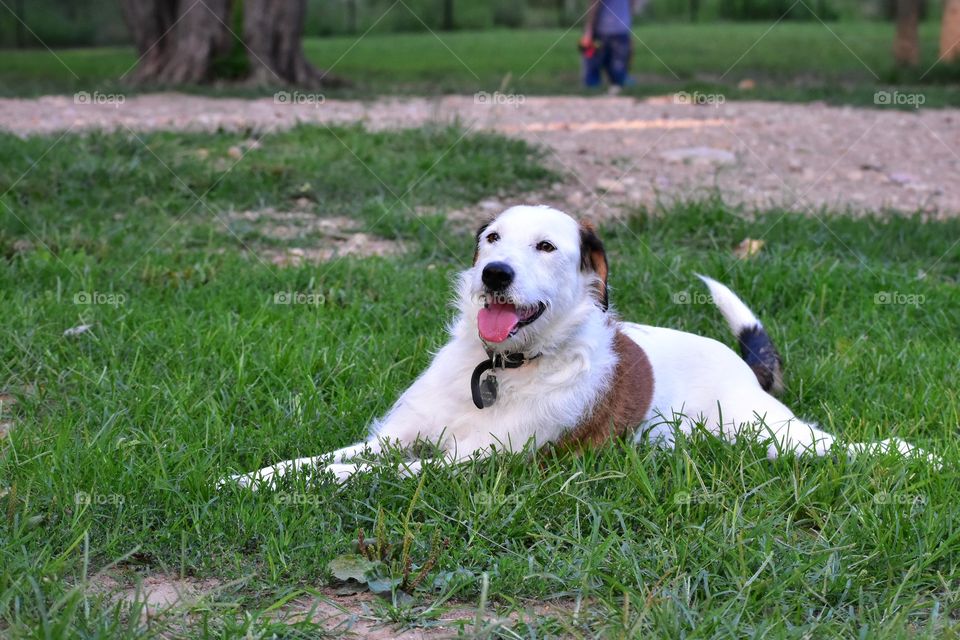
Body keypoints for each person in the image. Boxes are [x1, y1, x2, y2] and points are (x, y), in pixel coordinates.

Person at [580, 0, 634, 92]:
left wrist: (589, 29)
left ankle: (593, 89)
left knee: (592, 68)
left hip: (603, 29)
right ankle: (618, 84)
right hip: (622, 29)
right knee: (618, 70)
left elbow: (594, 4)